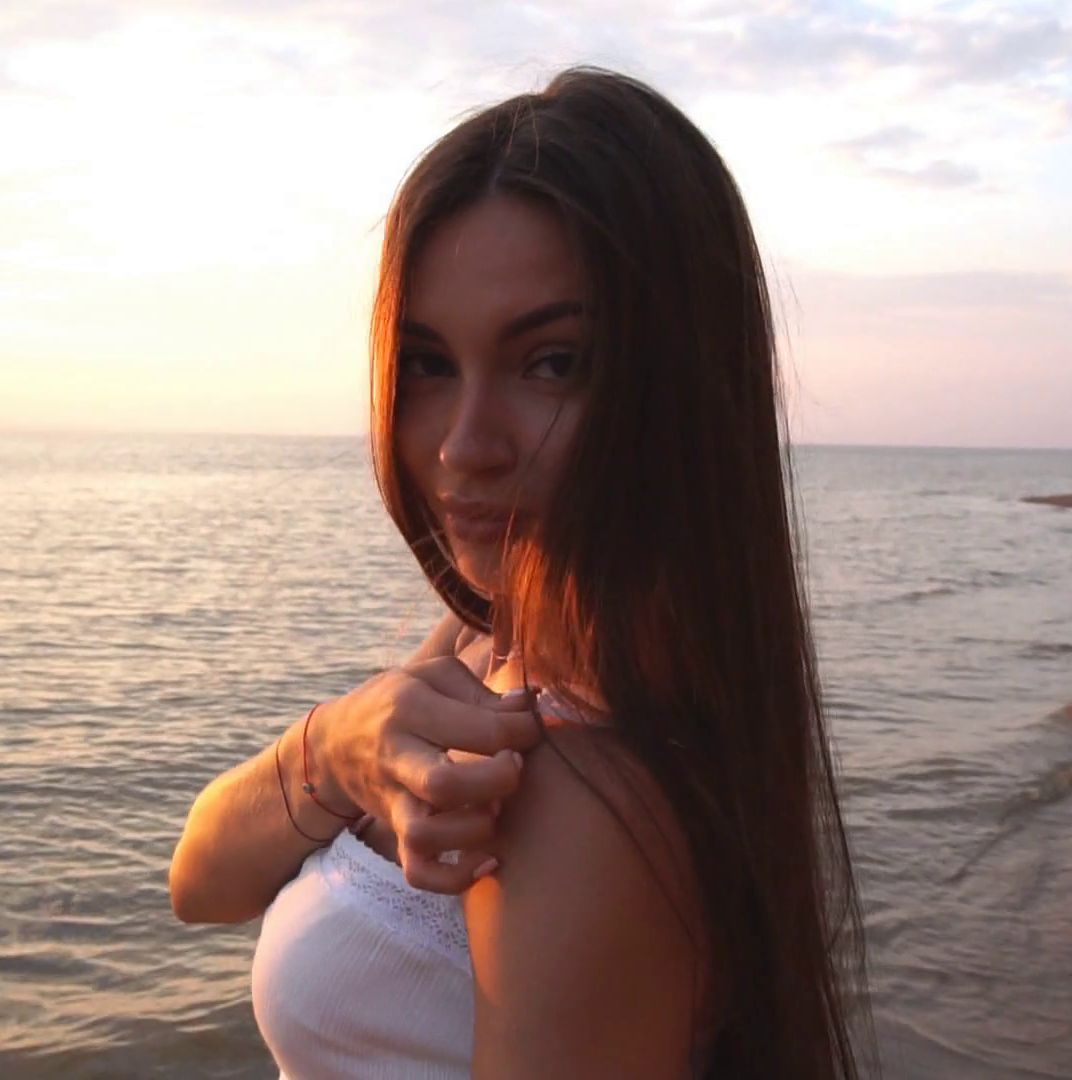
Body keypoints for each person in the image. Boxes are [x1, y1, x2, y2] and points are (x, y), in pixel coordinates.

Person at [169, 66, 869, 1079]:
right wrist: (335, 748)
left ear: (680, 386)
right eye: (428, 363)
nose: (464, 446)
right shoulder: (491, 641)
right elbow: (200, 884)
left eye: (551, 363)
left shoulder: (575, 801)